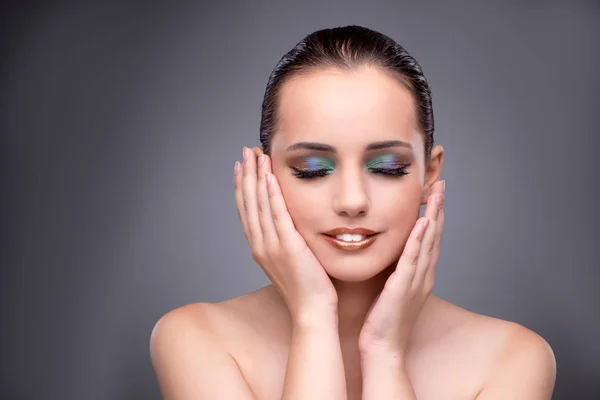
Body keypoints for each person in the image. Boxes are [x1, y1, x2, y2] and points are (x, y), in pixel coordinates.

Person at [149, 25, 556, 399]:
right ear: (264, 173)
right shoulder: (195, 339)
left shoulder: (512, 359)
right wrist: (313, 319)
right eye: (312, 169)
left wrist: (385, 352)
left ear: (430, 173)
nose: (351, 200)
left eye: (387, 167)